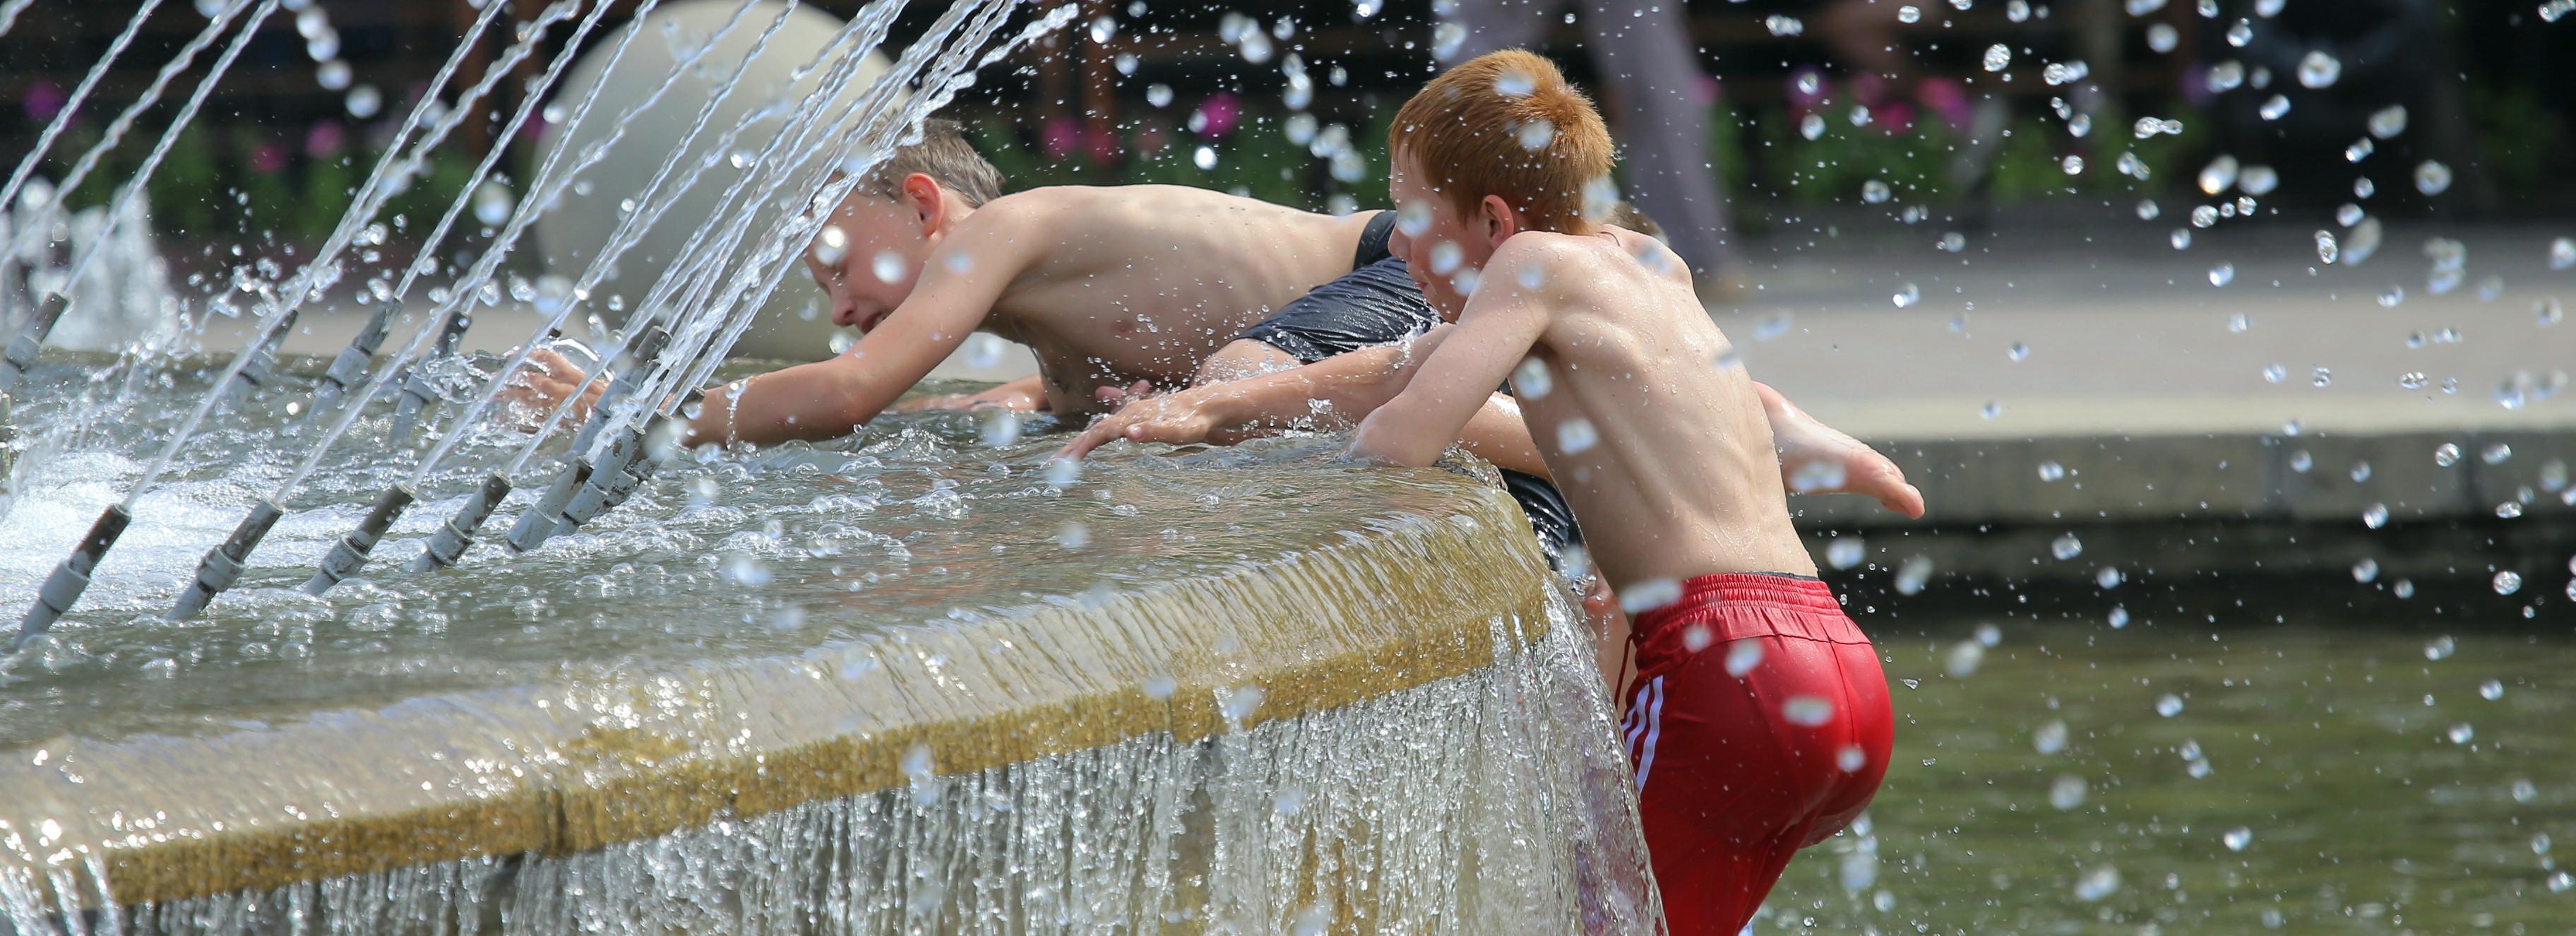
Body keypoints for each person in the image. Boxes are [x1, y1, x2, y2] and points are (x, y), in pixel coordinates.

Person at [1347, 49, 1894, 934]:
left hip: (1725, 672)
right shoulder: (1651, 265)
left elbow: (1400, 438)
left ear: (1493, 218)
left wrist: (1288, 491)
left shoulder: (1526, 263)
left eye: (1411, 212)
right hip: (1839, 670)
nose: (1395, 241)